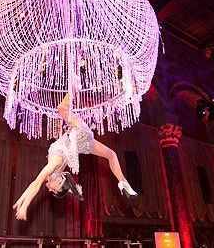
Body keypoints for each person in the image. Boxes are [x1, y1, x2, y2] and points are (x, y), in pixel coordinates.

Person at [12, 91, 138, 221]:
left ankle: (124, 183)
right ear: (60, 181)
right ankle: (74, 85)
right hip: (79, 135)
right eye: (55, 190)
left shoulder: (53, 173)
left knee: (111, 155)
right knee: (61, 108)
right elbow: (36, 185)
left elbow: (34, 184)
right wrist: (25, 206)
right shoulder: (55, 164)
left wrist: (21, 202)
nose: (50, 191)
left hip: (81, 142)